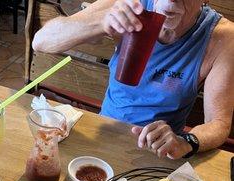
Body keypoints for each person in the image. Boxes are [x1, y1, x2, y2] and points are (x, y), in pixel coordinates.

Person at [32, 0, 234, 159]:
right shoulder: (132, 5)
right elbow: (41, 41)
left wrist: (186, 142)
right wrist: (102, 21)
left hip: (156, 152)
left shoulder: (223, 37)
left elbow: (219, 123)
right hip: (101, 132)